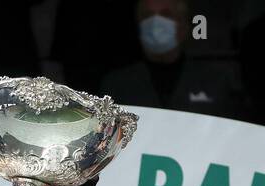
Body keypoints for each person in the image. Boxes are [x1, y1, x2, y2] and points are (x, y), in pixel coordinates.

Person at [101, 0, 244, 120]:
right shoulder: (116, 85)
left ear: (184, 26)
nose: (155, 22)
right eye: (147, 15)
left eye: (166, 14)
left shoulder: (216, 82)